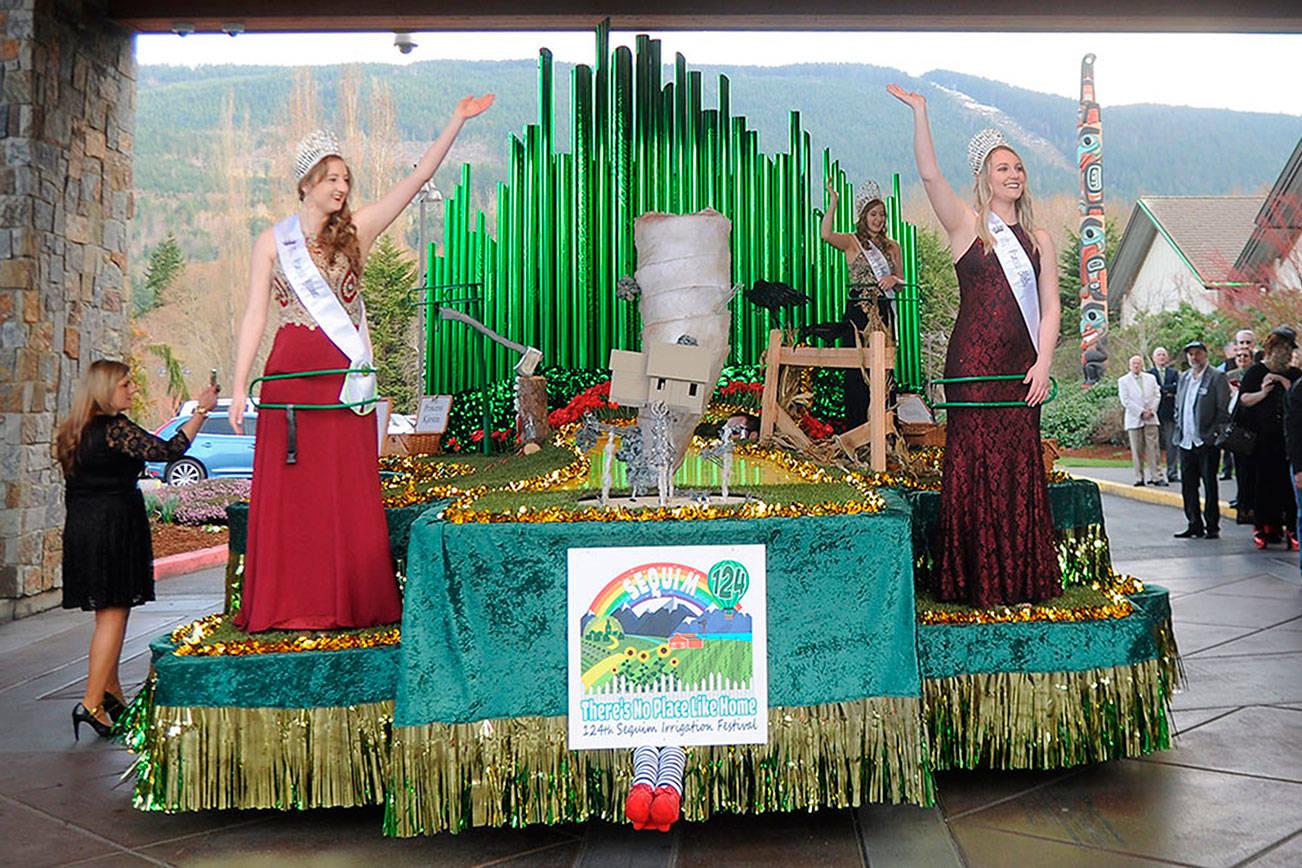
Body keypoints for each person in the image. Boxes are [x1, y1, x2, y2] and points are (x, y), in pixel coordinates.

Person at [229, 94, 495, 632]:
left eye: (346, 179)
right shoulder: (272, 242)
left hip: (342, 382)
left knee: (344, 490)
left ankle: (345, 602)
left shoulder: (359, 230)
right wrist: (239, 387)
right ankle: (285, 604)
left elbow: (417, 178)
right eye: (331, 178)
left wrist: (455, 120)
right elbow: (255, 315)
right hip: (289, 381)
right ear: (306, 183)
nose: (341, 187)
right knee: (293, 494)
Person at [889, 84, 1062, 607]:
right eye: (1002, 167)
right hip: (974, 364)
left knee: (1018, 464)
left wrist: (1044, 363)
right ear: (985, 178)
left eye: (1018, 167)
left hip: (1021, 369)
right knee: (975, 463)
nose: (1013, 174)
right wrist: (920, 112)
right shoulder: (968, 225)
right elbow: (930, 176)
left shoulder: (1041, 238)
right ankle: (975, 581)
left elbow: (1050, 307)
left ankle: (1021, 580)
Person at [55, 360, 219, 738]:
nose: (133, 390)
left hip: (84, 526)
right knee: (113, 612)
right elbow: (168, 450)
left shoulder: (76, 429)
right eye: (126, 384)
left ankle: (110, 690)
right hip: (112, 527)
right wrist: (201, 410)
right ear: (105, 389)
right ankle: (92, 703)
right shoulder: (113, 428)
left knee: (110, 611)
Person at [820, 178, 904, 429]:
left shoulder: (893, 246)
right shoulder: (851, 241)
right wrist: (833, 201)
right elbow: (825, 234)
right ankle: (857, 427)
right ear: (864, 216)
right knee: (857, 367)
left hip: (883, 311)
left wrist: (894, 279)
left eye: (882, 214)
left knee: (884, 367)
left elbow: (901, 283)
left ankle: (885, 427)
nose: (878, 219)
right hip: (859, 311)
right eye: (873, 214)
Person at [1233, 327, 1302, 549]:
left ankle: (1291, 528)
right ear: (1271, 350)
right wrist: (1263, 392)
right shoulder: (1256, 373)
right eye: (1283, 349)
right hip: (1261, 441)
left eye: (1289, 350)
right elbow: (1244, 399)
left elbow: (1297, 399)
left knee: (1287, 487)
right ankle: (1262, 526)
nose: (1287, 354)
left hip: (1287, 441)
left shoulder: (1295, 375)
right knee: (1261, 485)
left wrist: (1283, 382)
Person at [1173, 341, 1231, 540]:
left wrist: (1213, 434)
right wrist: (1179, 424)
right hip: (1186, 441)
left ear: (1205, 355)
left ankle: (1212, 525)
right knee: (1188, 486)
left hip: (1206, 441)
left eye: (1198, 353)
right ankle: (1193, 523)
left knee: (1209, 484)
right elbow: (1178, 405)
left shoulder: (1217, 376)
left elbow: (1223, 410)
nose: (1194, 357)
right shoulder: (1184, 378)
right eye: (1190, 354)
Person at [1119, 355, 1164, 486]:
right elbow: (1125, 400)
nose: (1136, 365)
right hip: (1134, 419)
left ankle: (1157, 476)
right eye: (1134, 363)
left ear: (1142, 365)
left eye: (1138, 363)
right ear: (1129, 366)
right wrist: (1141, 412)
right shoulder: (1123, 381)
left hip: (1151, 418)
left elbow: (1157, 395)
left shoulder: (1151, 378)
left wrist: (1151, 410)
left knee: (1153, 449)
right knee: (1137, 450)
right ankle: (1139, 477)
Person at [1149, 346, 1180, 483]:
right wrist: (1167, 390)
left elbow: (1177, 387)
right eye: (1159, 355)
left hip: (1170, 413)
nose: (1161, 357)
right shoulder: (1149, 375)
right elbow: (1150, 391)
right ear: (1154, 358)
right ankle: (1155, 475)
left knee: (1171, 444)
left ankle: (1172, 473)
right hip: (1154, 413)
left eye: (1163, 355)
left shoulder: (1174, 373)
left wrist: (1160, 389)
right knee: (1153, 446)